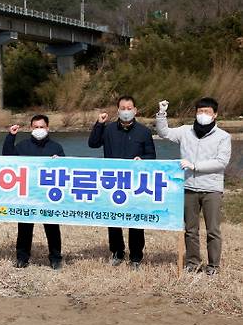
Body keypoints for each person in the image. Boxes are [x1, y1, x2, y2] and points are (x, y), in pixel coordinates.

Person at [156, 97, 231, 275]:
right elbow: (164, 133)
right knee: (191, 229)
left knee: (213, 230)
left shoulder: (223, 137)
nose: (203, 115)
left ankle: (213, 266)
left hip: (211, 189)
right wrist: (161, 113)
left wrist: (195, 166)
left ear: (215, 115)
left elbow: (221, 162)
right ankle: (193, 262)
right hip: (188, 187)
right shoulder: (185, 131)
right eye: (200, 111)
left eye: (207, 112)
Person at [88, 95, 155, 269]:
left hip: (134, 183)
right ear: (118, 111)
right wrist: (99, 124)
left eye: (129, 108)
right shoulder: (109, 129)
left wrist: (143, 159)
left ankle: (136, 257)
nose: (126, 111)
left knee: (135, 219)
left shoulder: (144, 132)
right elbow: (93, 143)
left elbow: (151, 156)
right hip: (113, 182)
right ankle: (117, 252)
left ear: (135, 110)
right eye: (123, 108)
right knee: (114, 219)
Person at [3, 114, 65, 269]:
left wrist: (61, 162)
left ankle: (55, 258)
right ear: (31, 128)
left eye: (41, 127)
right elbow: (7, 157)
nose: (39, 130)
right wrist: (11, 136)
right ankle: (22, 257)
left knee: (52, 228)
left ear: (48, 128)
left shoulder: (56, 147)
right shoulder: (22, 146)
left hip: (48, 195)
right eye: (36, 127)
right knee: (24, 227)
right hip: (28, 193)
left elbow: (66, 170)